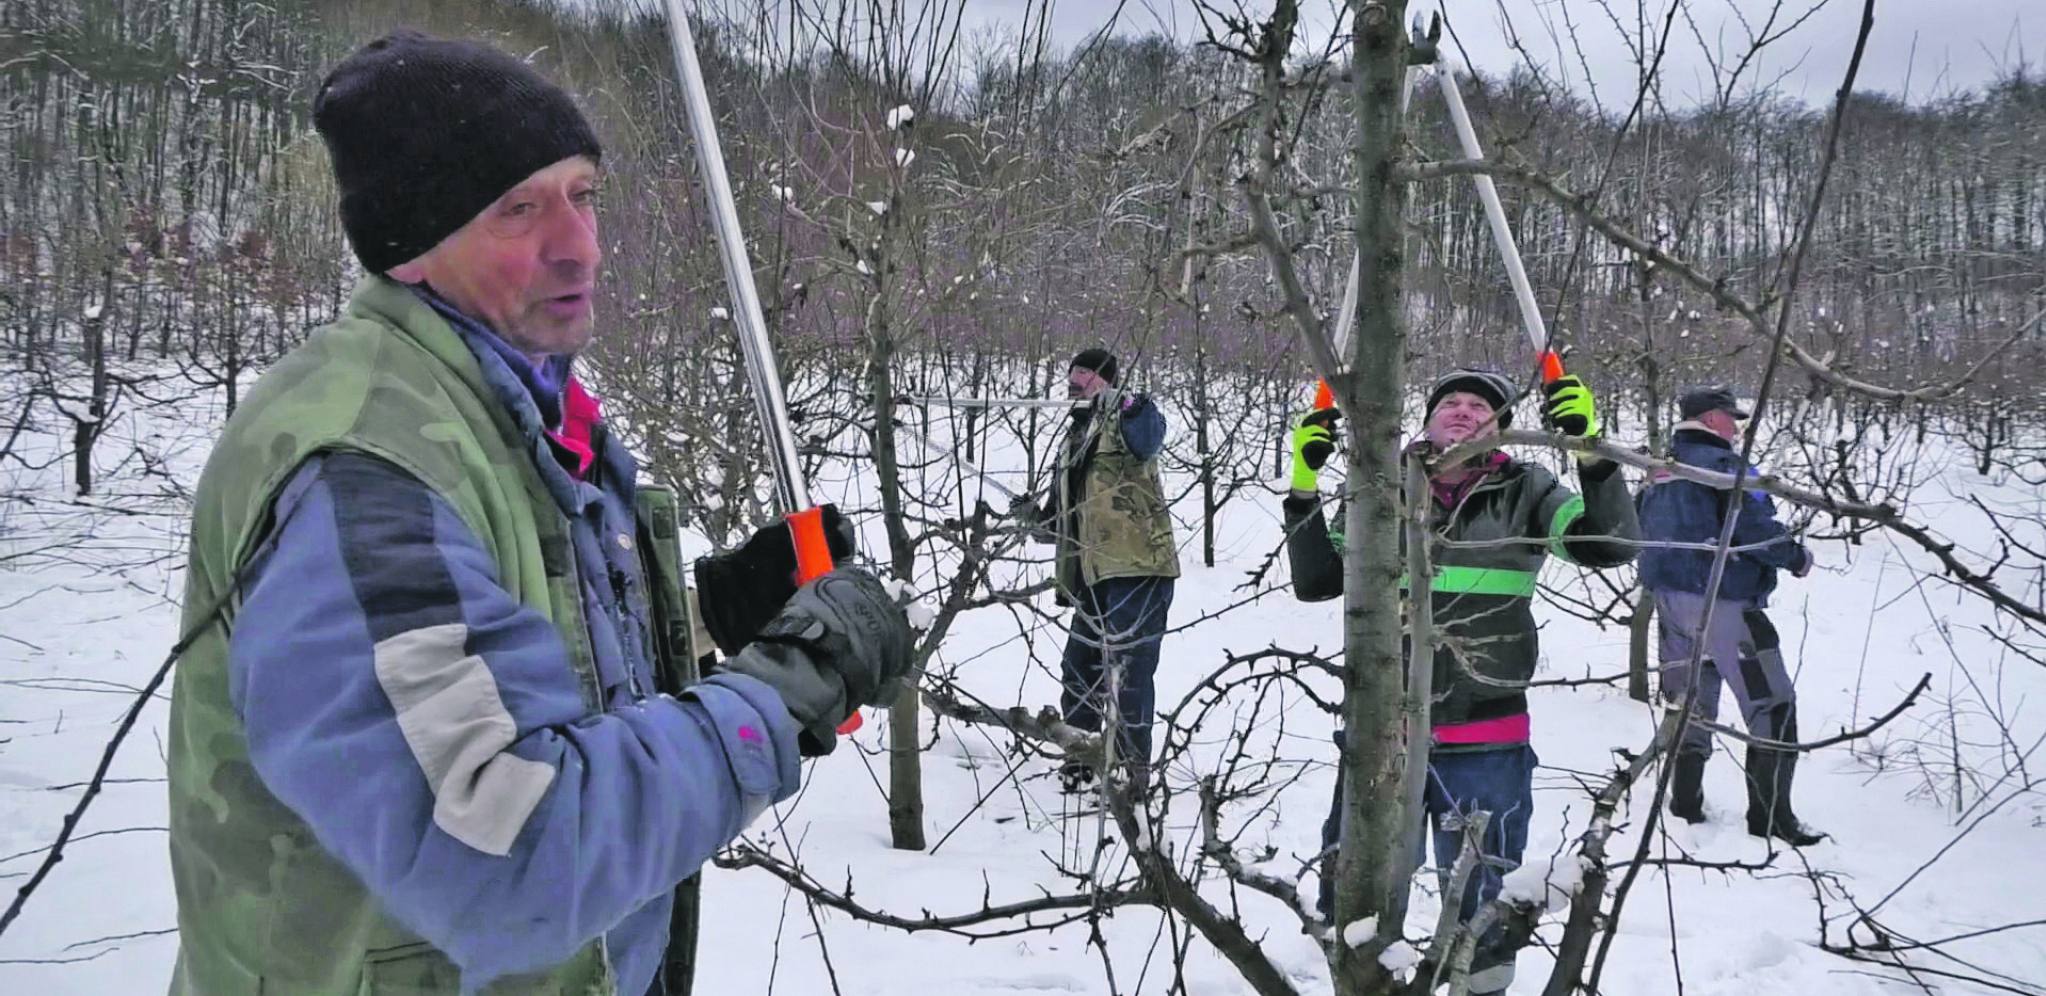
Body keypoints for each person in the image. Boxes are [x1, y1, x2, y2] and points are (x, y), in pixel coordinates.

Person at [165, 32, 913, 996]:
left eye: (583, 194)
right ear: (414, 243)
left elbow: (506, 650)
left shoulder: (509, 405)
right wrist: (782, 692)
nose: (581, 245)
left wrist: (697, 625)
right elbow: (506, 858)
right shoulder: (361, 474)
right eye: (519, 208)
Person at [1284, 368, 1638, 995]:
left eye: (1481, 405)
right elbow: (1317, 581)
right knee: (1356, 879)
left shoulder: (1527, 488)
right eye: (1450, 401)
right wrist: (1305, 485)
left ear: (1501, 427)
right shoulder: (1378, 484)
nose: (1464, 410)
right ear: (1426, 418)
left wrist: (1594, 456)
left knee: (1482, 888)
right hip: (1381, 727)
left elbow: (1608, 547)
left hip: (1487, 725)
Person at [1637, 387, 1823, 846]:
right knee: (1772, 705)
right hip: (1725, 602)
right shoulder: (1728, 469)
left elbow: (1638, 523)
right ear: (1711, 418)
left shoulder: (1658, 469)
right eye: (1731, 419)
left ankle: (1684, 804)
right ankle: (1772, 817)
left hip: (1669, 602)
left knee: (1689, 704)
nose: (1737, 428)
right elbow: (1755, 528)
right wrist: (1795, 556)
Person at [1012, 348, 1179, 792]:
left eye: (1084, 375)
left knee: (1128, 672)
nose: (1074, 382)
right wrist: (1033, 517)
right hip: (1090, 575)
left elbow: (1149, 437)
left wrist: (1126, 403)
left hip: (1136, 566)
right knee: (1079, 667)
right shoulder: (1073, 440)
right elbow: (1057, 522)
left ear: (1105, 381)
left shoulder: (1128, 418)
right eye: (1071, 375)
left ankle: (1131, 771)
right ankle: (1084, 758)